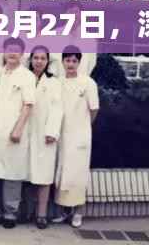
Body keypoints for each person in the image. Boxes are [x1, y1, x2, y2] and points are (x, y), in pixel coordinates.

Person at [0, 37, 35, 229]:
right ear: (4, 52)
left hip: (15, 131)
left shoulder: (27, 76)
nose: (12, 53)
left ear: (22, 54)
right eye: (9, 49)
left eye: (16, 50)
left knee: (12, 174)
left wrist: (18, 129)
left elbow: (28, 104)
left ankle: (10, 213)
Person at [52, 46, 100, 229]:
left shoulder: (88, 82)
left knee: (78, 174)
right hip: (61, 135)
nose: (70, 64)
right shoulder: (58, 82)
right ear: (62, 62)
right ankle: (64, 212)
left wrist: (84, 127)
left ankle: (78, 212)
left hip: (80, 136)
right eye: (67, 60)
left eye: (74, 61)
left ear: (79, 63)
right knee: (62, 173)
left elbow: (94, 109)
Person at [28, 46, 63, 229]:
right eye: (36, 58)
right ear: (30, 59)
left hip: (44, 134)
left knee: (44, 175)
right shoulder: (24, 77)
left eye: (42, 58)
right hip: (25, 133)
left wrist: (52, 131)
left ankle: (41, 215)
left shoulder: (54, 82)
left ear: (48, 61)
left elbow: (58, 109)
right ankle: (26, 212)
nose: (39, 61)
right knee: (26, 174)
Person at [49, 1, 97, 78]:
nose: (73, 15)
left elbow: (91, 64)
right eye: (70, 12)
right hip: (57, 80)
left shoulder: (90, 39)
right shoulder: (53, 35)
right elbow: (49, 61)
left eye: (76, 12)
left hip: (80, 81)